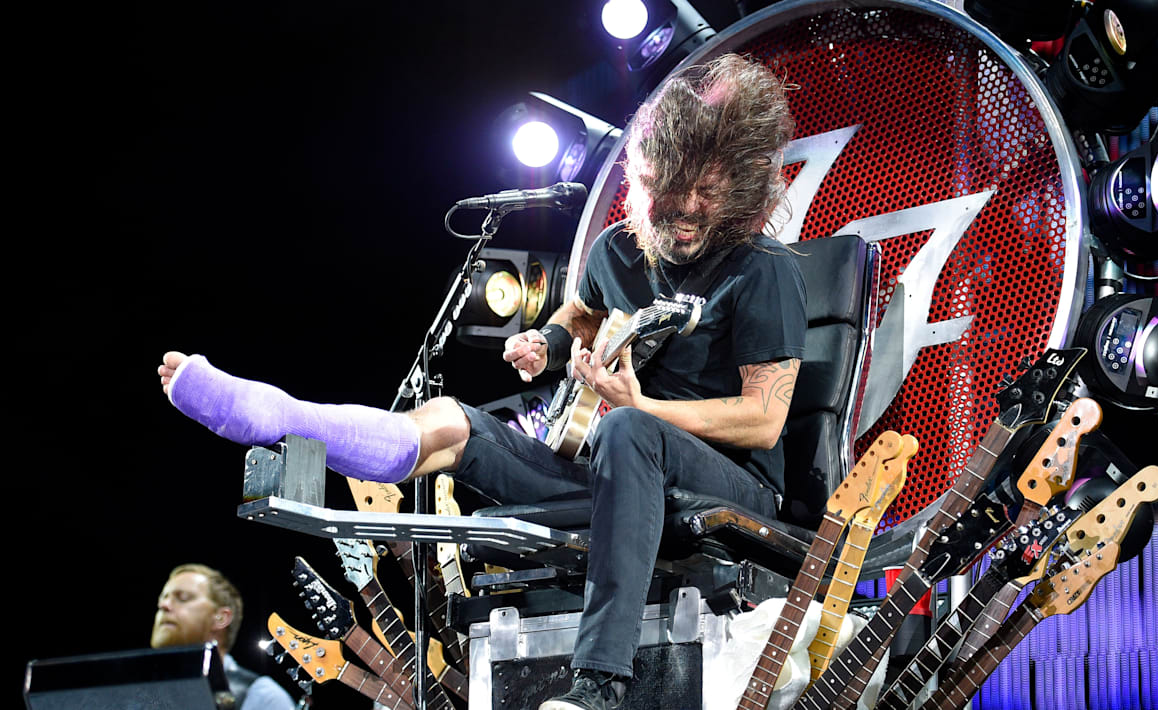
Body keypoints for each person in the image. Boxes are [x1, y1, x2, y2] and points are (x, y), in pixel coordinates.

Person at [158, 53, 805, 710]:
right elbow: (581, 316)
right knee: (452, 419)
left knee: (629, 430)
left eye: (709, 191)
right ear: (644, 180)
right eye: (674, 189)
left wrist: (644, 409)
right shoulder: (617, 250)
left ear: (740, 187)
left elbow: (764, 419)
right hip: (620, 473)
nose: (689, 208)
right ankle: (284, 418)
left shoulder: (761, 270)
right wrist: (546, 343)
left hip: (733, 484)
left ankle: (599, 685)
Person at [152, 563, 296, 710]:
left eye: (183, 598)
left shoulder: (263, 698)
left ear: (221, 617)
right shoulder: (146, 690)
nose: (164, 605)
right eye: (163, 598)